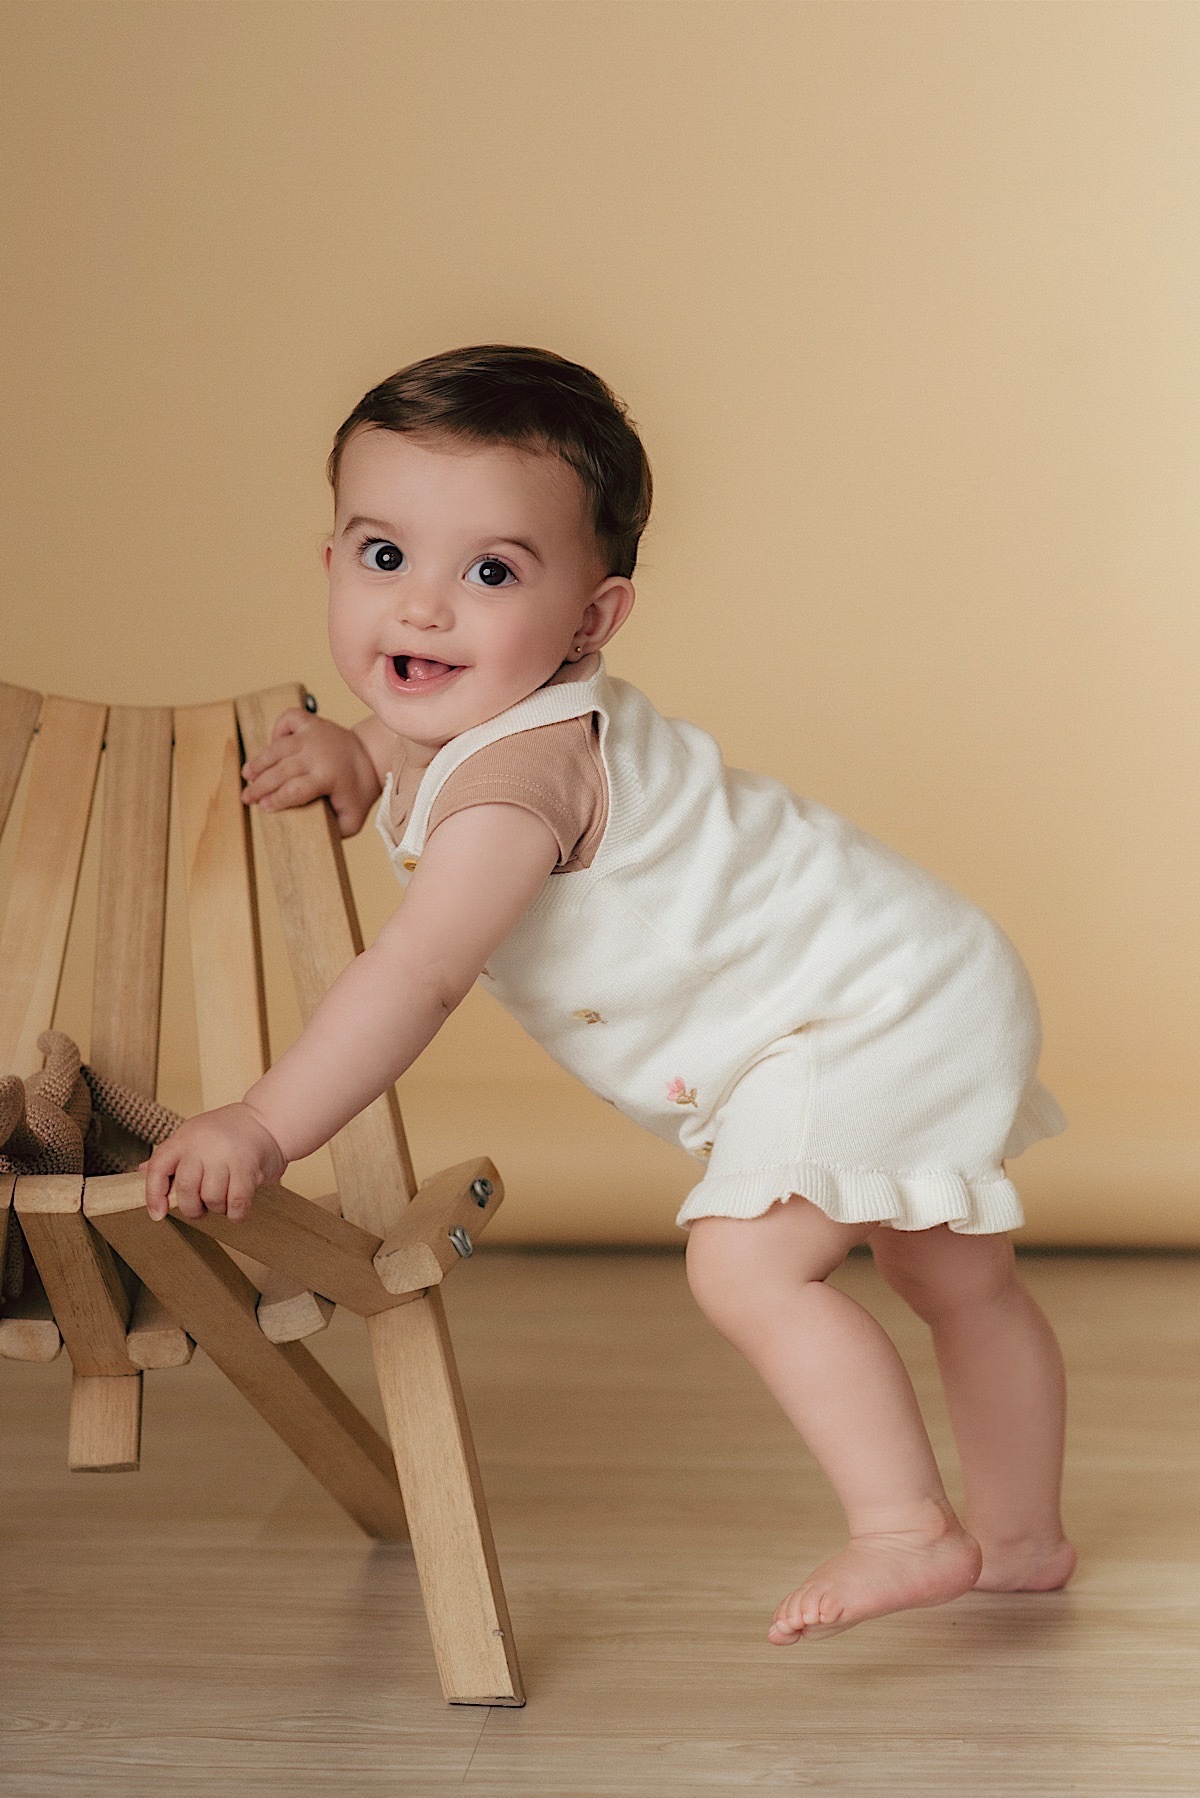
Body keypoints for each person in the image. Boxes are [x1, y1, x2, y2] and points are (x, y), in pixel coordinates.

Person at [142, 344, 1076, 1643]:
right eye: (383, 555)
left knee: (745, 1264)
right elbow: (418, 732)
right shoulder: (470, 706)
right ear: (332, 562)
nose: (419, 611)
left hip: (862, 1009)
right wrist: (353, 756)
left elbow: (415, 970)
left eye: (489, 573)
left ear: (593, 618)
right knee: (959, 1276)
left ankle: (908, 1527)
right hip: (917, 968)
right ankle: (1024, 1540)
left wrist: (265, 1122)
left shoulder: (521, 787)